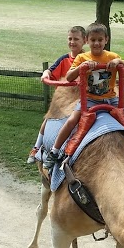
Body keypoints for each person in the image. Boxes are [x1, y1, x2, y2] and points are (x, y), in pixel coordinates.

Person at [42, 22, 124, 170]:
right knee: (72, 119)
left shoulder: (112, 56)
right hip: (90, 99)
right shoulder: (82, 57)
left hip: (111, 99)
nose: (97, 43)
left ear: (106, 40)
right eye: (93, 40)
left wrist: (119, 62)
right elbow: (69, 77)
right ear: (87, 40)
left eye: (100, 40)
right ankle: (55, 150)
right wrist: (82, 67)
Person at [27, 26, 87, 163]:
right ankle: (37, 147)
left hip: (81, 99)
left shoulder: (88, 58)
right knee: (48, 120)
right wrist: (46, 73)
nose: (72, 42)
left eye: (76, 39)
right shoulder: (64, 59)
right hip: (65, 100)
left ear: (84, 40)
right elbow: (51, 71)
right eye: (70, 39)